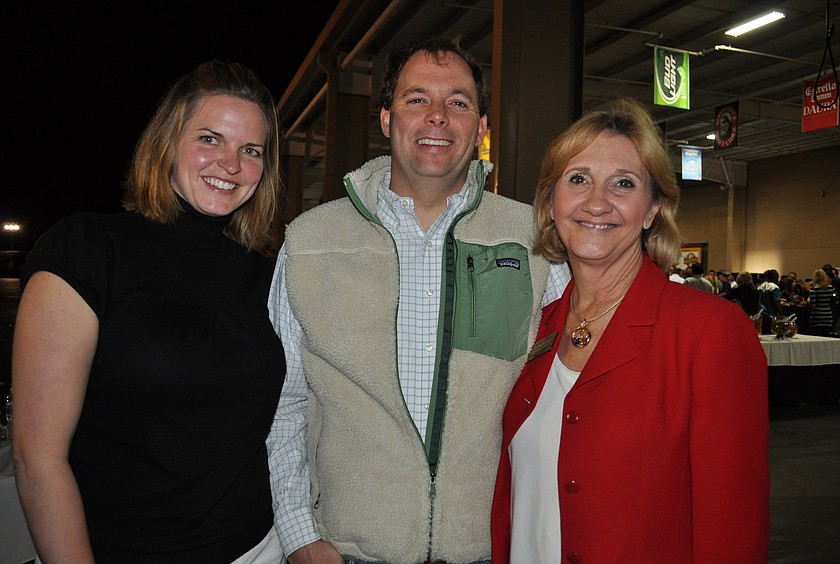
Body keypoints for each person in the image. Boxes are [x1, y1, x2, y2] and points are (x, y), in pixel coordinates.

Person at [266, 37, 570, 564]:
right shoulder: (310, 243)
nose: (437, 117)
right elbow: (284, 404)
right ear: (385, 119)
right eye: (415, 99)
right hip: (347, 551)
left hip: (490, 549)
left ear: (480, 128)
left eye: (458, 102)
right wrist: (299, 537)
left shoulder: (534, 241)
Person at [11, 61, 287, 563]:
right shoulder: (88, 249)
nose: (231, 163)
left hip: (258, 550)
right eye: (210, 139)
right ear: (167, 143)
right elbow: (38, 457)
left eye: (251, 150)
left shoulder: (266, 276)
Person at [490, 98, 769, 563]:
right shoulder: (536, 326)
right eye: (578, 179)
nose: (597, 202)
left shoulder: (708, 332)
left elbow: (733, 526)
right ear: (551, 200)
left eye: (623, 183)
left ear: (653, 208)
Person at [808, 269, 835, 336]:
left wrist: (808, 301)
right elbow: (834, 300)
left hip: (817, 317)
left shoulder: (814, 289)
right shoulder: (831, 288)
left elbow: (813, 304)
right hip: (828, 316)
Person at [823, 264, 840, 332]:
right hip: (838, 308)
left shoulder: (835, 283)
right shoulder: (839, 282)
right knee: (836, 328)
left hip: (835, 309)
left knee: (835, 328)